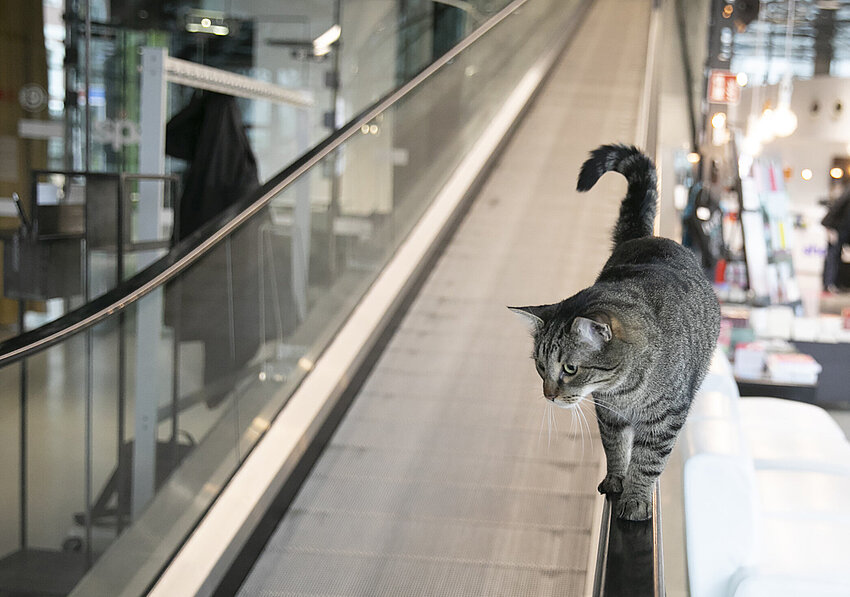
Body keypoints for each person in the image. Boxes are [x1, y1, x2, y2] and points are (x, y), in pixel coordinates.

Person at [821, 184, 850, 292]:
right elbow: (836, 207)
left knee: (837, 256)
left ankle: (836, 283)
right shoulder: (848, 192)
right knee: (832, 256)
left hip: (844, 231)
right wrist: (829, 227)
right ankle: (828, 284)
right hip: (836, 229)